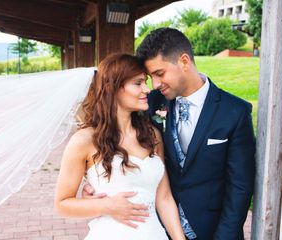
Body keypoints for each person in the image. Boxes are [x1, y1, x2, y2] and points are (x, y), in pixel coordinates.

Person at [83, 28, 256, 239]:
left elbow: (240, 186)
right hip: (156, 227)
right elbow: (115, 138)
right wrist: (97, 186)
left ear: (184, 61)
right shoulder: (149, 102)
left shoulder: (234, 112)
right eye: (150, 77)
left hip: (212, 230)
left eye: (159, 74)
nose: (154, 85)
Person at [54, 53, 186, 240]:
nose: (147, 89)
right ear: (113, 88)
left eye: (145, 82)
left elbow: (163, 198)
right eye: (138, 83)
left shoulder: (151, 135)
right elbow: (62, 204)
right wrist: (106, 206)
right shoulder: (84, 140)